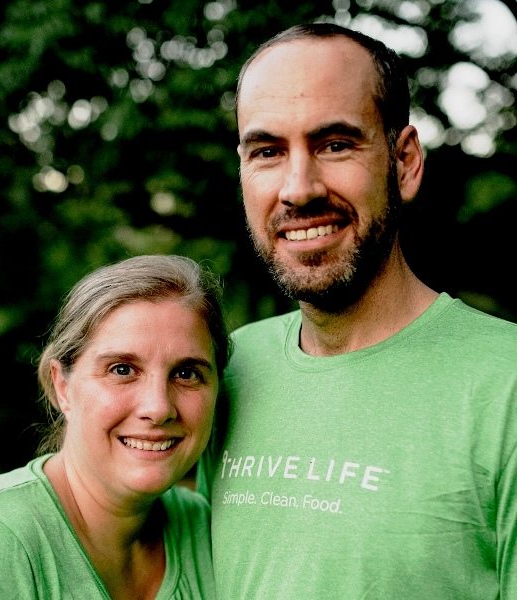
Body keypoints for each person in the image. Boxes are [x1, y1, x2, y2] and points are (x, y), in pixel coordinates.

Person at [197, 22, 517, 599]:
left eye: (335, 144)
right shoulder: (230, 367)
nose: (299, 189)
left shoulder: (506, 383)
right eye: (267, 152)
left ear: (405, 162)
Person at [0, 254, 230, 599]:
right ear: (62, 386)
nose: (158, 408)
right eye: (122, 369)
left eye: (186, 373)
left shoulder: (212, 534)